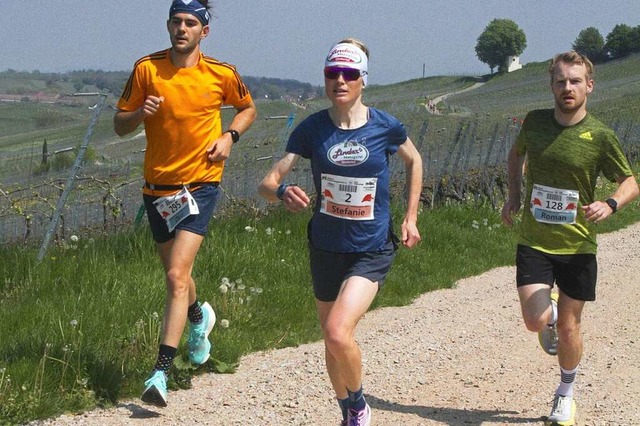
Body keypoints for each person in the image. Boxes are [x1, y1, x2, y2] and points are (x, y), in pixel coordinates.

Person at [258, 38, 423, 426]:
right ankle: (348, 412)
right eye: (333, 73)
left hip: (371, 248)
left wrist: (411, 216)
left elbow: (414, 161)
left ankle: (359, 404)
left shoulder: (385, 126)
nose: (340, 81)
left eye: (349, 74)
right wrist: (281, 192)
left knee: (336, 331)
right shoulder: (312, 129)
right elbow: (266, 183)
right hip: (326, 248)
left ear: (363, 80)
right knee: (332, 344)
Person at [113, 0, 256, 407]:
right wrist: (141, 112)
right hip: (158, 189)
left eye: (191, 23)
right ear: (168, 25)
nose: (182, 28)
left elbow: (247, 108)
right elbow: (119, 125)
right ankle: (199, 320)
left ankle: (160, 373)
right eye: (176, 21)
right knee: (178, 274)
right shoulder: (147, 69)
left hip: (201, 184)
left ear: (203, 32)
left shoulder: (221, 73)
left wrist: (230, 137)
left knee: (176, 276)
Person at [501, 51, 638, 425]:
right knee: (536, 321)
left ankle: (565, 393)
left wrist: (610, 204)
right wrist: (514, 196)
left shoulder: (600, 136)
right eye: (560, 81)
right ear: (551, 86)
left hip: (578, 245)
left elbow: (630, 183)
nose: (567, 88)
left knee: (569, 328)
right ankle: (550, 315)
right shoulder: (535, 123)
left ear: (589, 86)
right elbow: (515, 158)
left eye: (575, 81)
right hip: (535, 238)